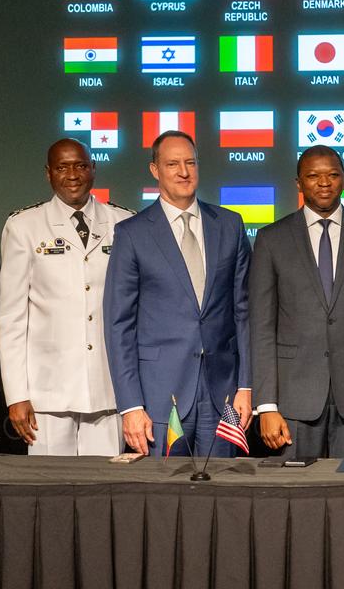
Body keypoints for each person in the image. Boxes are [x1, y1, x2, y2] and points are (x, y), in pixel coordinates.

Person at [103, 131, 251, 455]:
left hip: (223, 394)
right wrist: (130, 405)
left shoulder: (230, 225)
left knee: (224, 484)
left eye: (190, 163)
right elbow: (119, 325)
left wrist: (246, 385)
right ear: (155, 170)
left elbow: (243, 311)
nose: (184, 172)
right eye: (173, 164)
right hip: (159, 398)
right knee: (163, 486)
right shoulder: (132, 233)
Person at [250, 145, 344, 457]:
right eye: (313, 176)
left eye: (332, 175)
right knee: (294, 488)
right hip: (293, 401)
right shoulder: (271, 239)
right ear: (298, 183)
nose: (323, 183)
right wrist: (266, 405)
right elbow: (262, 328)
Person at [0, 139, 133, 455]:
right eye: (62, 167)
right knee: (50, 484)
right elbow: (11, 318)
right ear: (48, 173)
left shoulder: (123, 222)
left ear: (93, 169)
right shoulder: (24, 226)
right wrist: (16, 395)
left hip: (108, 388)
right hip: (47, 393)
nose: (73, 175)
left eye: (81, 166)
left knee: (104, 482)